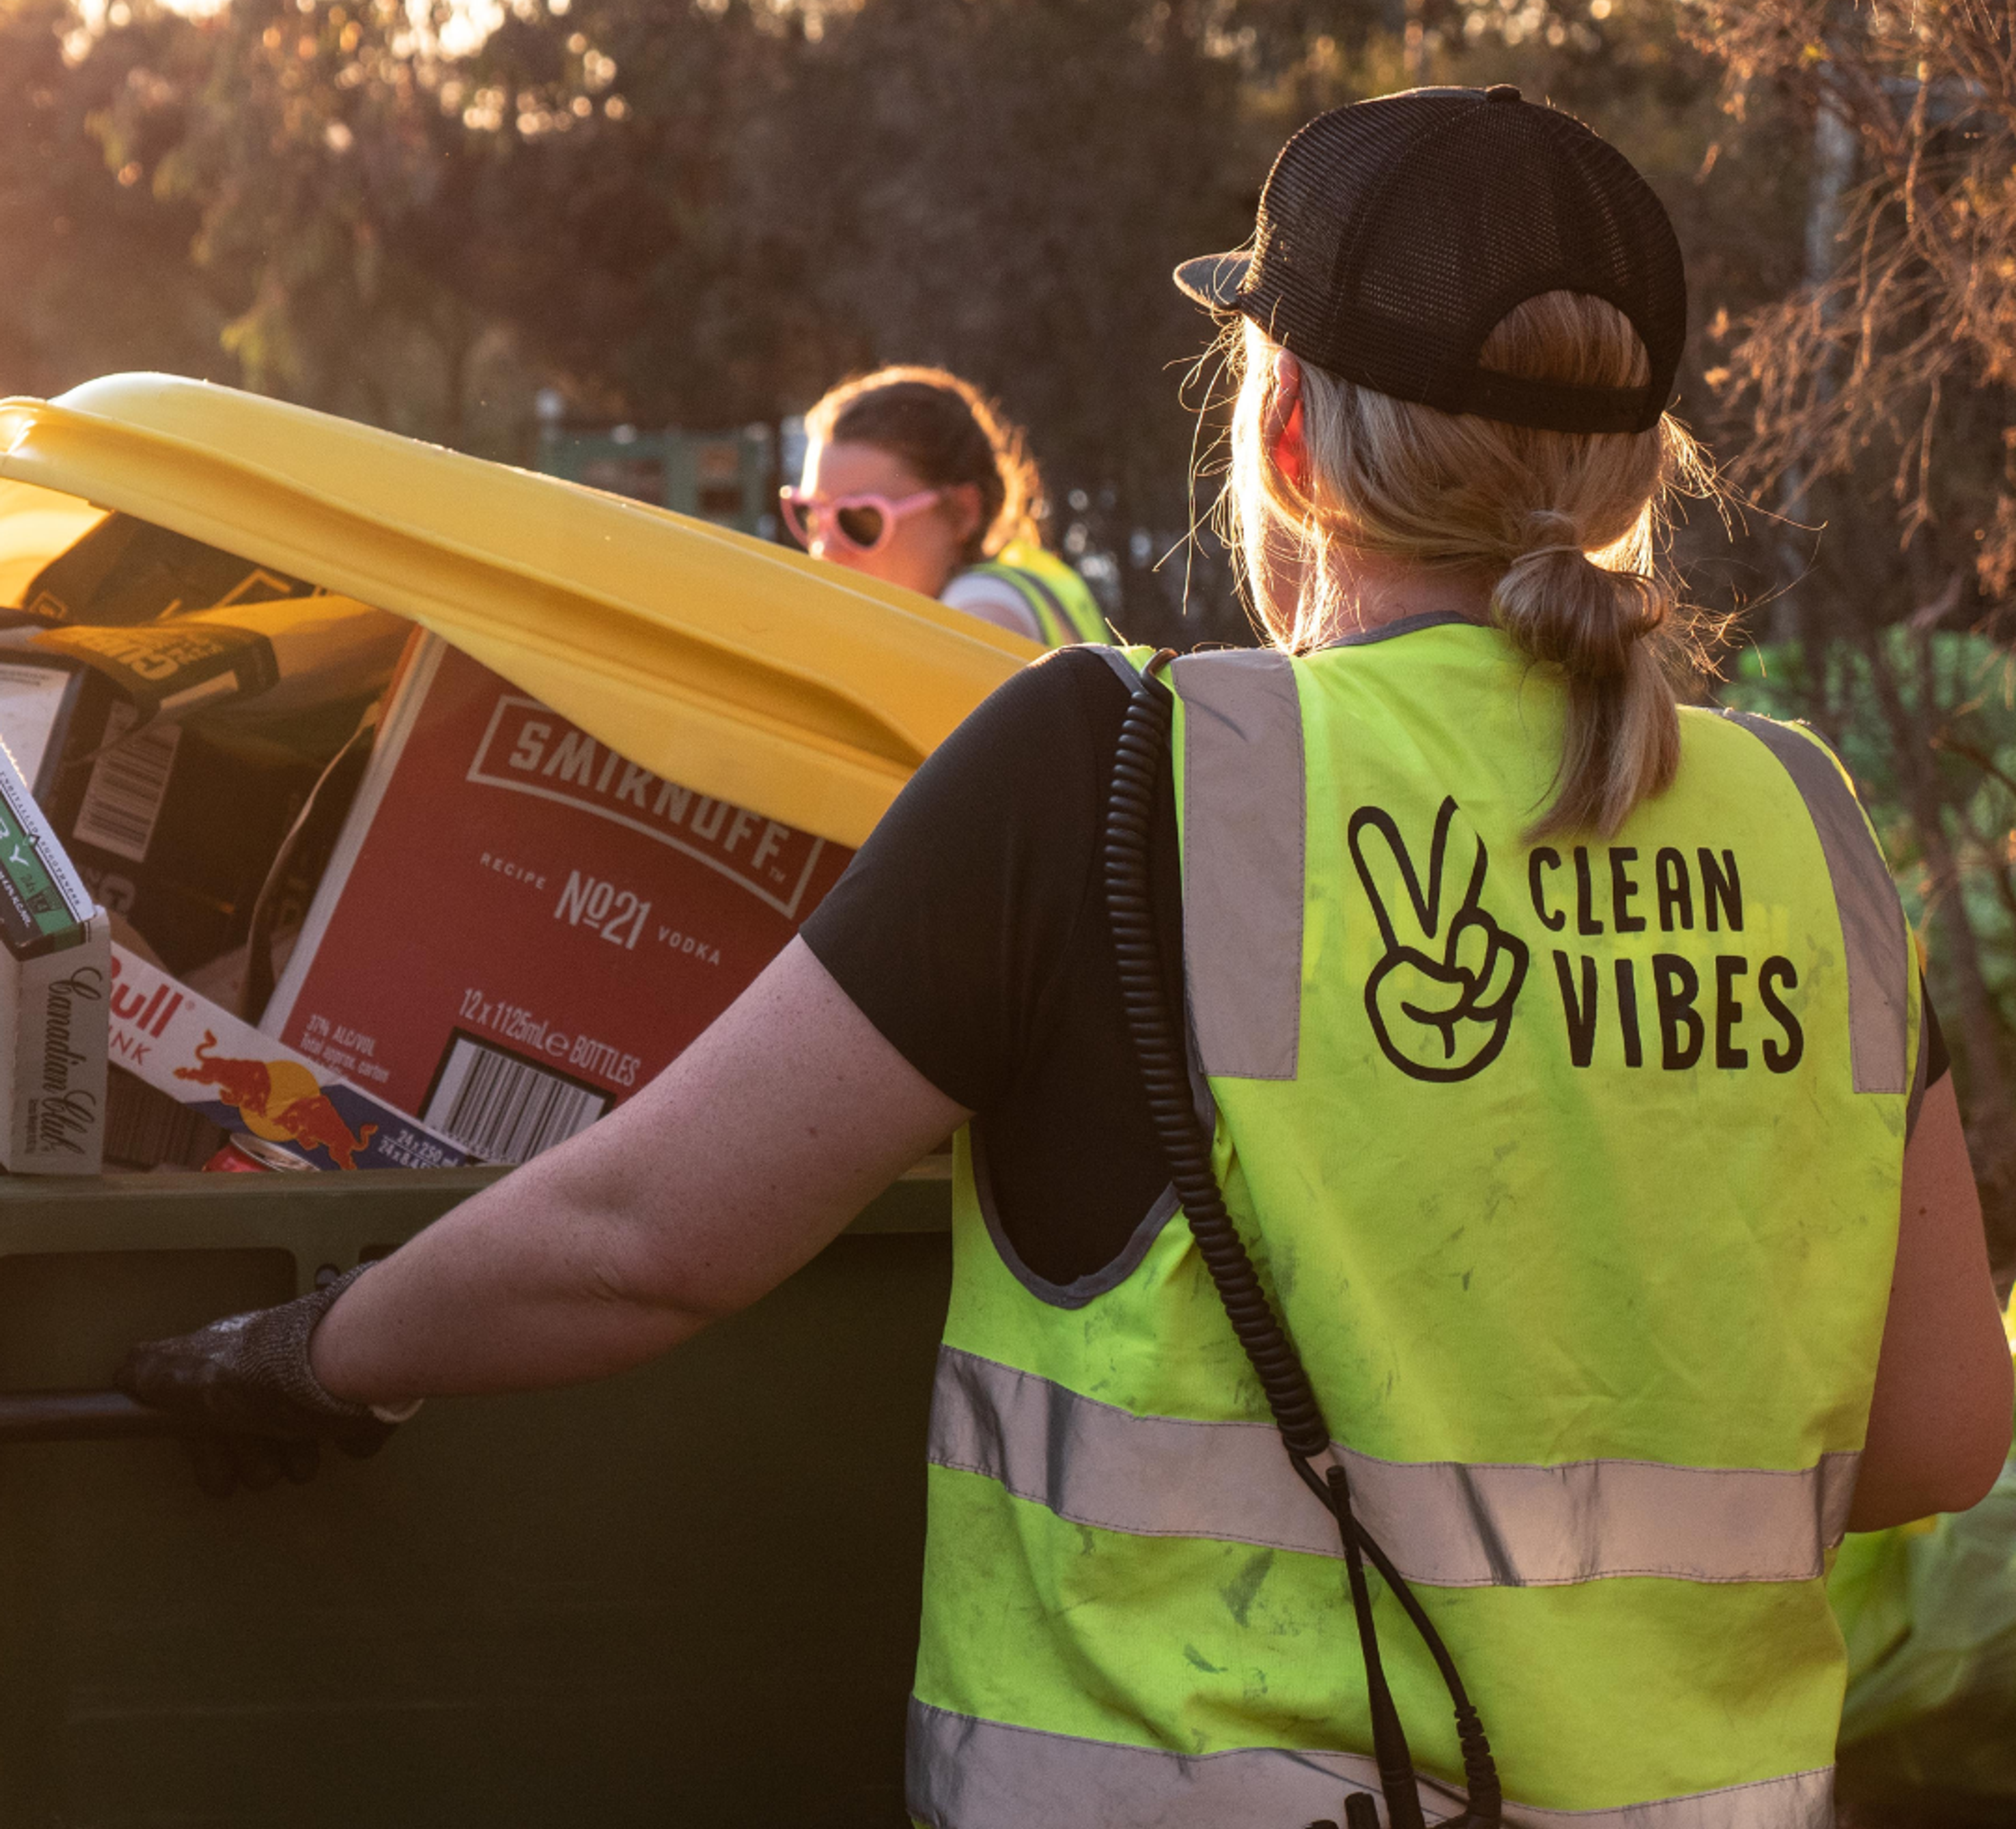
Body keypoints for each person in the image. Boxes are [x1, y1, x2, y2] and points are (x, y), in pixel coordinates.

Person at [122, 88, 2012, 1829]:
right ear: (1628, 466)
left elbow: (641, 1239)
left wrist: (311, 1352)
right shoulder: (1811, 827)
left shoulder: (1124, 775)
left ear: (1281, 434)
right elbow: (1937, 1431)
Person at [780, 364, 1109, 646]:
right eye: (812, 515)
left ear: (964, 512)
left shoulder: (982, 608)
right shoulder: (1025, 581)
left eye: (861, 521)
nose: (826, 548)